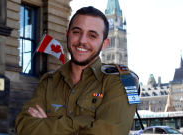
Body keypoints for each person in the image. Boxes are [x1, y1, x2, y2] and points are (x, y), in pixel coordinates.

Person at [15, 6, 137, 135]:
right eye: (77, 32)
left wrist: (47, 124)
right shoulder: (48, 82)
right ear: (67, 35)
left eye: (92, 35)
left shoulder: (123, 81)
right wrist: (82, 121)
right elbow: (24, 126)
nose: (82, 41)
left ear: (105, 43)